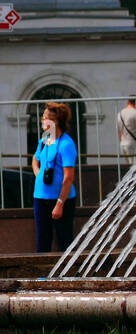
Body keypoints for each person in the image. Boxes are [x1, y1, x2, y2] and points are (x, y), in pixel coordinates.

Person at [31, 102, 78, 253]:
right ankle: (42, 276)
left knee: (64, 241)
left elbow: (69, 177)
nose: (41, 121)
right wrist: (38, 174)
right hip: (40, 197)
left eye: (45, 118)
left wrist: (59, 204)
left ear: (55, 121)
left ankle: (67, 276)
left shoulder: (66, 144)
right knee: (42, 240)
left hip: (61, 200)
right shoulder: (45, 137)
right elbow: (35, 158)